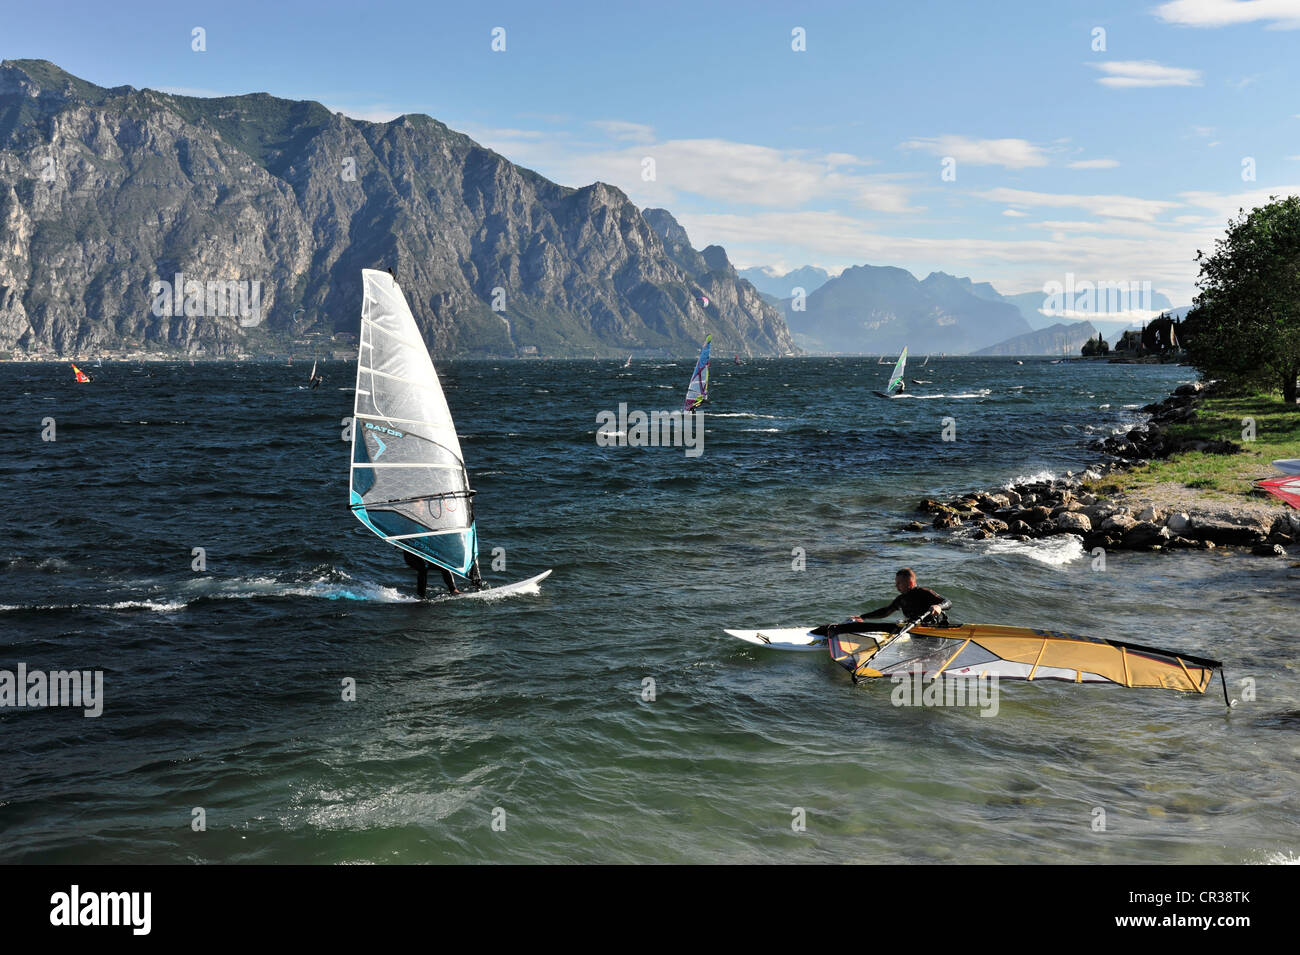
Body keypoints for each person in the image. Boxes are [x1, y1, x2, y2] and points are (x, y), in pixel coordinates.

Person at [818, 568, 954, 638]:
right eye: (896, 583)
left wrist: (938, 606)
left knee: (885, 627)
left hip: (930, 630)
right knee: (874, 626)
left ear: (910, 583)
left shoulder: (924, 592)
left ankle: (837, 630)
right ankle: (835, 629)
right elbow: (885, 612)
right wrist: (863, 617)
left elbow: (948, 602)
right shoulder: (902, 599)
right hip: (909, 629)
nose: (897, 586)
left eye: (899, 583)